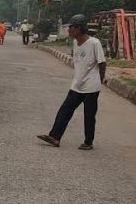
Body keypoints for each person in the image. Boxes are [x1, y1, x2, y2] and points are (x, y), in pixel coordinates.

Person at [38, 14, 107, 150]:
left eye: (71, 28)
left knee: (89, 115)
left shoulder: (94, 43)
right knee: (65, 110)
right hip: (77, 84)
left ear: (79, 28)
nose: (69, 30)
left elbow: (102, 63)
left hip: (91, 86)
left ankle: (88, 142)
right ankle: (55, 137)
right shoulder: (75, 42)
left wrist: (100, 79)